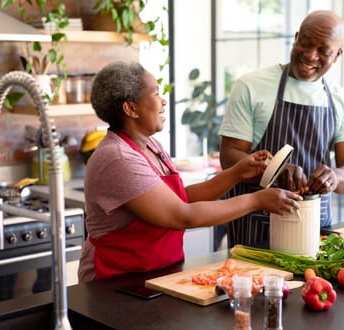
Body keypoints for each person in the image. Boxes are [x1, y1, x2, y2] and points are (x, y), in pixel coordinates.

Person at [78, 61, 300, 283]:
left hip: (157, 273)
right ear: (131, 108)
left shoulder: (151, 146)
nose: (163, 101)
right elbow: (182, 215)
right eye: (155, 93)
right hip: (115, 281)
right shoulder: (119, 157)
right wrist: (257, 201)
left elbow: (180, 198)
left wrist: (236, 173)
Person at [218, 10, 344, 248]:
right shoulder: (251, 85)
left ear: (337, 55)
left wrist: (335, 177)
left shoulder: (343, 101)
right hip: (256, 228)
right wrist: (273, 170)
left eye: (323, 51)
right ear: (295, 37)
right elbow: (229, 156)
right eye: (305, 43)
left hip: (315, 227)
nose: (310, 55)